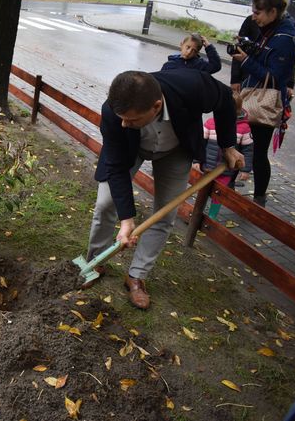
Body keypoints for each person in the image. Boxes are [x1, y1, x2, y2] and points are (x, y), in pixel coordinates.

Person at [83, 69, 245, 309]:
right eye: (122, 118)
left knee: (165, 213)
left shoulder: (193, 85)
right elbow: (116, 167)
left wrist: (228, 146)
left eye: (132, 119)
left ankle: (136, 276)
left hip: (175, 148)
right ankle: (96, 260)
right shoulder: (113, 112)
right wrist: (127, 220)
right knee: (107, 202)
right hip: (131, 150)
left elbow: (224, 100)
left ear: (156, 106)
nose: (124, 124)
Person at [229, 0, 295, 207]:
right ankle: (227, 188)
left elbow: (276, 77)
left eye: (258, 12)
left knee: (257, 152)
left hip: (262, 102)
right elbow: (267, 59)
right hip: (251, 97)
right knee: (237, 144)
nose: (253, 16)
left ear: (273, 11)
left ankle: (259, 200)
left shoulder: (285, 37)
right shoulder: (272, 29)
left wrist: (246, 61)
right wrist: (250, 48)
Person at [193, 91, 254, 219]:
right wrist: (196, 161)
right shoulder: (210, 123)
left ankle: (211, 217)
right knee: (202, 191)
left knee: (218, 194)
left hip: (226, 170)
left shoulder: (244, 128)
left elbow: (248, 150)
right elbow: (201, 143)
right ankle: (196, 215)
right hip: (207, 167)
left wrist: (245, 169)